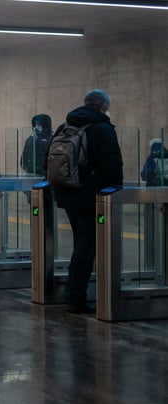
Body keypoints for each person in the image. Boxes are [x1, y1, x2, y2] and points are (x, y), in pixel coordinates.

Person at [47, 89, 123, 314]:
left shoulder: (65, 126)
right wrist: (116, 192)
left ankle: (72, 290)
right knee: (86, 246)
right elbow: (112, 165)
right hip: (91, 196)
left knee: (80, 242)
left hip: (67, 193)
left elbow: (48, 161)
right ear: (103, 108)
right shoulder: (103, 129)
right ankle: (76, 297)